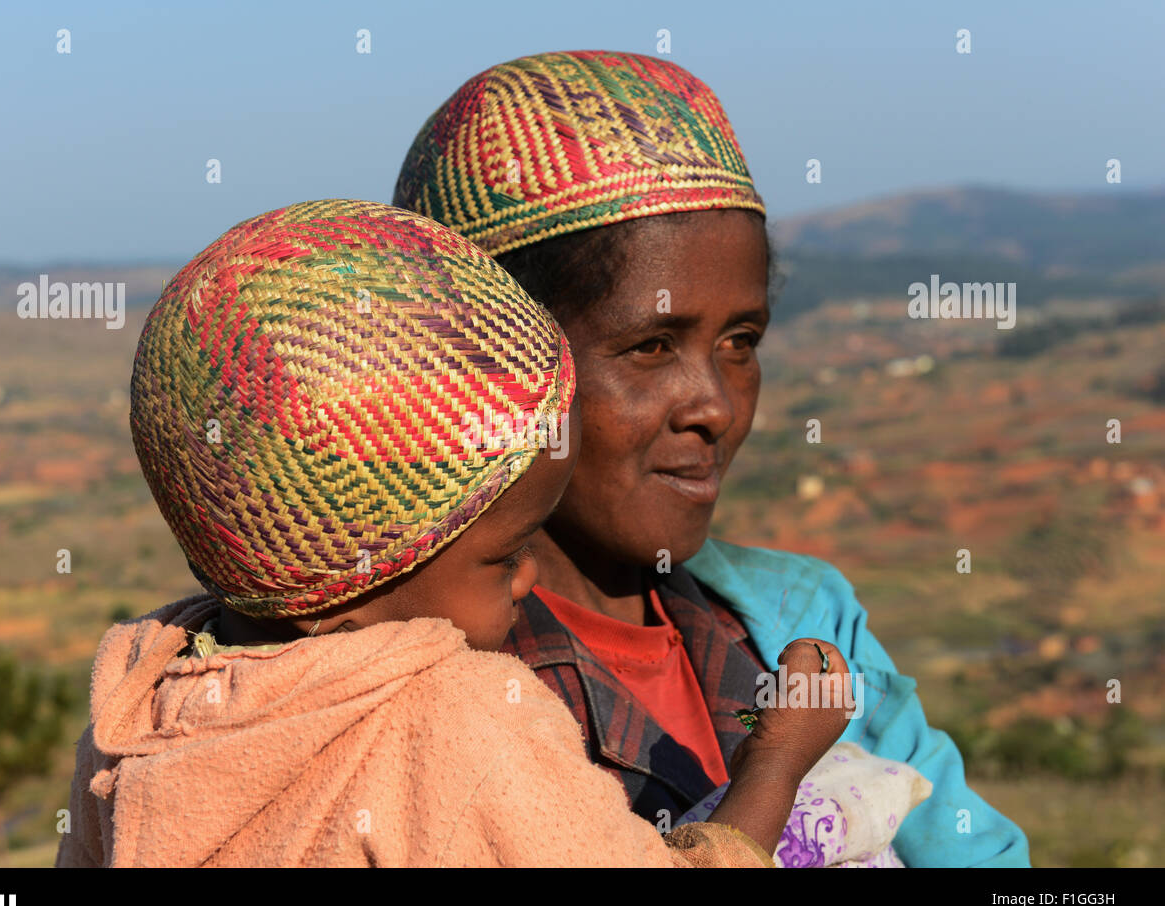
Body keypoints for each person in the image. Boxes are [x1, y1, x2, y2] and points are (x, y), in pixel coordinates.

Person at [55, 198, 850, 867]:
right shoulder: (458, 718)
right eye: (505, 555)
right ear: (346, 591)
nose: (528, 580)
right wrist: (776, 761)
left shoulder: (137, 699)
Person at [393, 50, 1030, 867]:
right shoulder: (423, 686)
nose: (717, 407)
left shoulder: (800, 617)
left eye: (741, 341)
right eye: (651, 346)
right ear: (488, 365)